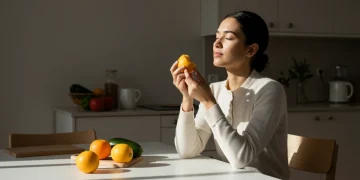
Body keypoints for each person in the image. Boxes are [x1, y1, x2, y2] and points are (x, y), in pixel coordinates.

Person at [169, 10, 290, 179]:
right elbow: (187, 150)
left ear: (251, 50)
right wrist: (187, 98)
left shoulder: (270, 89)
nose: (217, 43)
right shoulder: (215, 89)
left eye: (228, 37)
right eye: (217, 36)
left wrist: (208, 101)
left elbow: (241, 158)